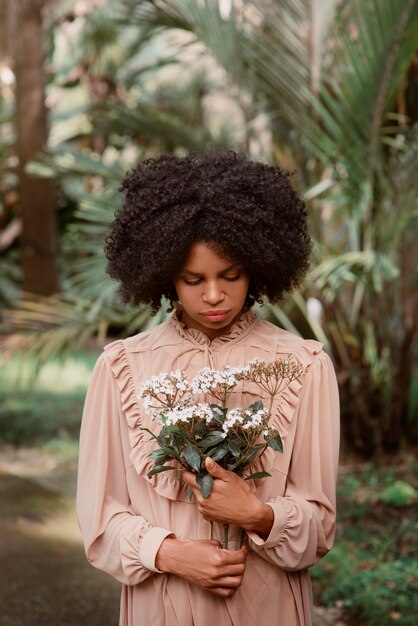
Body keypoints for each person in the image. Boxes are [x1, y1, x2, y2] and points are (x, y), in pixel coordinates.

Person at [76, 150, 340, 626]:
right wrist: (170, 554)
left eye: (231, 275)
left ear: (259, 267)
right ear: (162, 274)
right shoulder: (121, 367)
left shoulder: (305, 366)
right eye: (192, 279)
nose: (214, 295)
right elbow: (99, 520)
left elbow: (319, 526)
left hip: (266, 605)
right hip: (164, 603)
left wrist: (259, 515)